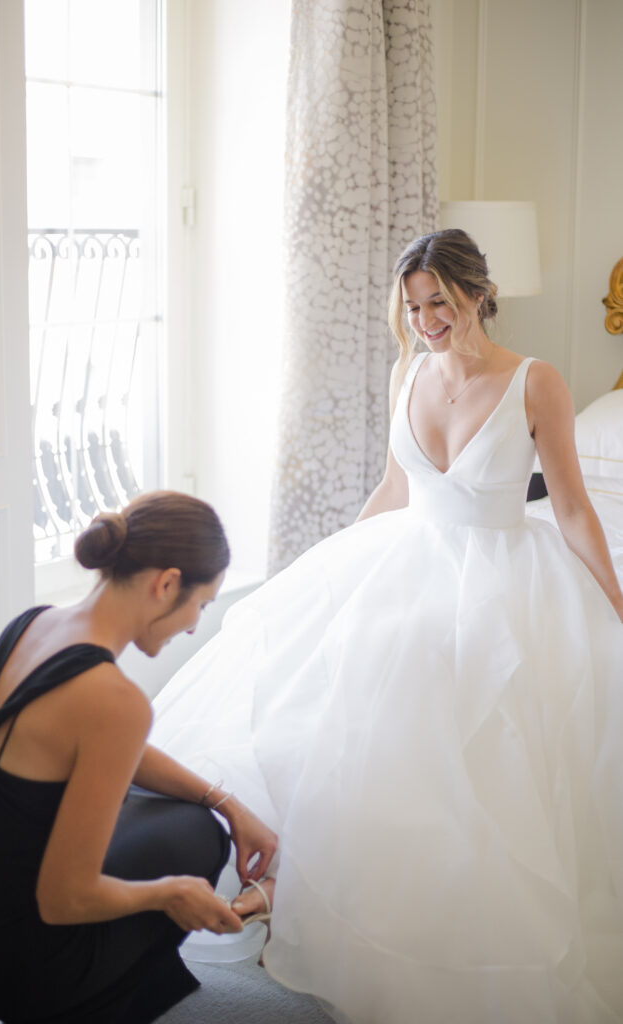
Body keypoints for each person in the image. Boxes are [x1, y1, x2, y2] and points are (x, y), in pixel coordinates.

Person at [149, 230, 623, 1023]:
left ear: (478, 291)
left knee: (474, 741)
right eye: (412, 305)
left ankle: (471, 926)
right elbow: (393, 490)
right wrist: (329, 565)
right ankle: (313, 892)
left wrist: (612, 602)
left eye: (438, 300)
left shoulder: (534, 381)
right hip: (407, 560)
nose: (426, 319)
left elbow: (571, 507)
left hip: (504, 571)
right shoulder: (407, 369)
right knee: (344, 713)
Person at [0, 490, 277, 1024]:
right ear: (165, 584)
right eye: (201, 604)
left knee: (183, 812)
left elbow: (117, 747)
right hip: (21, 969)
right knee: (196, 837)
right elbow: (63, 901)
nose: (194, 625)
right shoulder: (114, 701)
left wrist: (228, 802)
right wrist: (172, 893)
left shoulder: (32, 625)